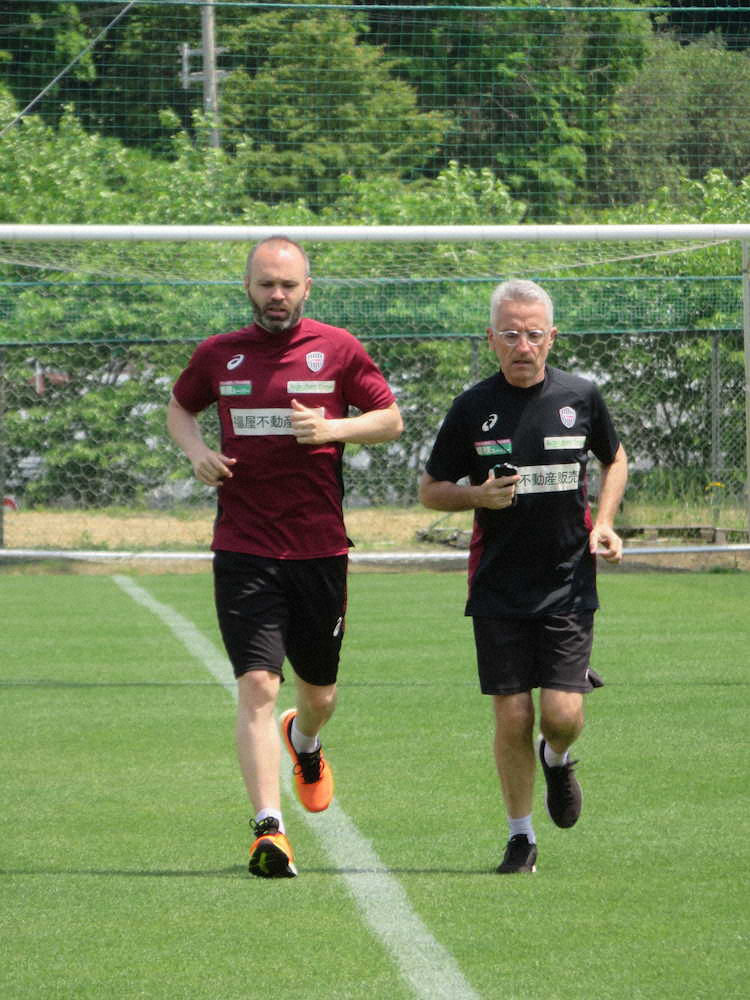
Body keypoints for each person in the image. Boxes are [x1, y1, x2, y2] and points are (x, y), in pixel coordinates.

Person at [167, 236, 403, 878]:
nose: (278, 295)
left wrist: (334, 428)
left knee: (318, 692)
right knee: (256, 684)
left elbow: (389, 418)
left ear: (307, 288)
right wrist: (195, 453)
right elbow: (181, 408)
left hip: (320, 549)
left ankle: (306, 740)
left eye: (289, 285)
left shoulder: (339, 347)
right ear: (248, 287)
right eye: (267, 284)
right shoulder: (219, 354)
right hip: (243, 547)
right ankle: (268, 830)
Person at [419, 278, 627, 874]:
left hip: (567, 581)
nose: (522, 344)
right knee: (511, 714)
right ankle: (520, 836)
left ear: (552, 337)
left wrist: (605, 523)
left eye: (534, 334)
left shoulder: (581, 396)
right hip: (498, 585)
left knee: (562, 717)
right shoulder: (472, 407)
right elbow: (431, 491)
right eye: (510, 333)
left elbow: (614, 459)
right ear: (491, 338)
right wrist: (476, 496)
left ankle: (556, 758)